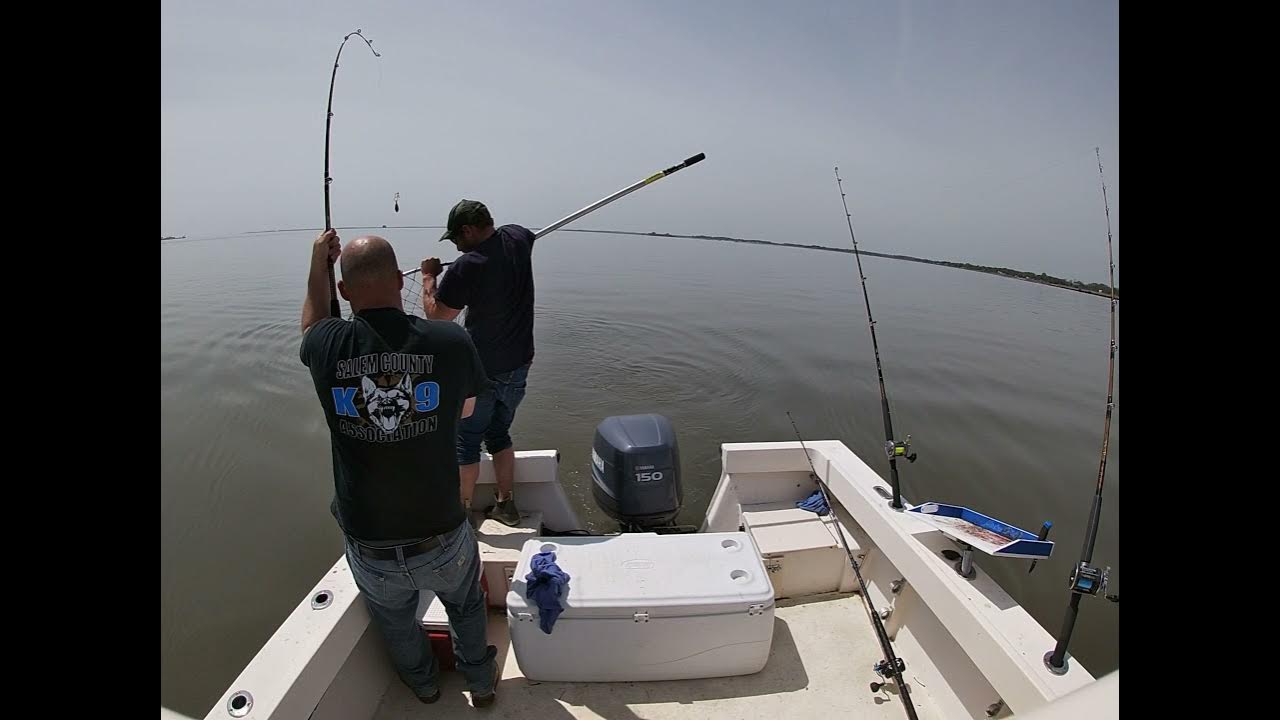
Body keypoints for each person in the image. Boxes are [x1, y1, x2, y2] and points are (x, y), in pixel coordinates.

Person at [299, 229, 498, 706]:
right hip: (442, 535)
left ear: (345, 292)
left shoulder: (327, 345)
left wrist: (317, 266)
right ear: (398, 278)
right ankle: (481, 683)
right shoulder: (449, 340)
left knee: (395, 621)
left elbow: (310, 325)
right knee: (466, 605)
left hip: (372, 546)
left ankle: (425, 685)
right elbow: (468, 412)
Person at [420, 200, 536, 527]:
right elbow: (528, 236)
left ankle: (462, 515)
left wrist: (430, 277)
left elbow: (439, 316)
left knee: (465, 442)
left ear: (469, 230)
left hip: (480, 372)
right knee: (499, 434)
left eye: (455, 238)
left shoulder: (468, 266)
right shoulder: (517, 237)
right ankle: (506, 504)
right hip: (519, 366)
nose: (455, 245)